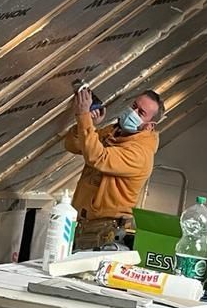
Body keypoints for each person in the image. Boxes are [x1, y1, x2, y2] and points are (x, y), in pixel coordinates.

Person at [64, 85, 164, 250]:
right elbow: (73, 146)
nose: (133, 112)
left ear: (149, 126)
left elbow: (97, 157)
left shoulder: (140, 154)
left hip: (105, 233)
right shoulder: (115, 132)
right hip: (83, 225)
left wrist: (83, 115)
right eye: (134, 106)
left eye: (141, 113)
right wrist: (90, 123)